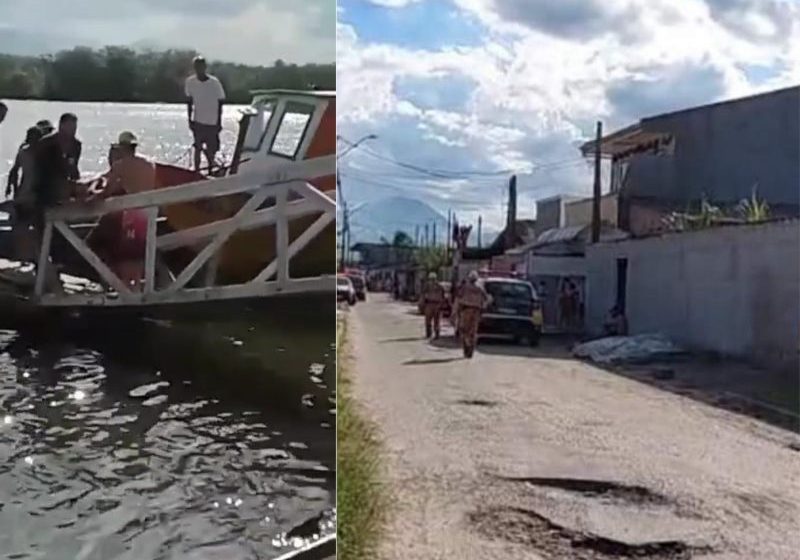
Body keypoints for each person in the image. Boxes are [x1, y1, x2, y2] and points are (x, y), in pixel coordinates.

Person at [85, 131, 155, 291]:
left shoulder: (120, 165)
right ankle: (135, 289)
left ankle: (114, 286)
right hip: (145, 217)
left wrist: (89, 200)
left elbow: (106, 191)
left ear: (122, 148)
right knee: (136, 256)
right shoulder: (149, 165)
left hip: (127, 217)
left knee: (103, 246)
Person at [6, 126, 44, 260]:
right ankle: (21, 256)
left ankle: (36, 256)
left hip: (38, 195)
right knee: (21, 225)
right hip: (25, 193)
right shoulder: (23, 152)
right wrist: (12, 188)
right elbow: (15, 171)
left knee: (37, 227)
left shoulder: (44, 154)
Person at [185, 56, 226, 173]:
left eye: (201, 66)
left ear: (205, 67)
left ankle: (211, 170)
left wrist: (219, 122)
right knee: (197, 147)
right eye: (197, 67)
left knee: (211, 149)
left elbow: (221, 102)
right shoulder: (190, 82)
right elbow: (189, 102)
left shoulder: (214, 83)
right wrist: (189, 120)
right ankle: (196, 172)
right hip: (198, 120)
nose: (199, 69)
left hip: (212, 121)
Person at [456, 271, 490, 358]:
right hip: (477, 311)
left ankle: (467, 343)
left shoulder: (464, 287)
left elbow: (458, 297)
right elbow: (487, 299)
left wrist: (456, 311)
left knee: (464, 329)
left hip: (466, 310)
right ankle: (470, 349)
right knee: (473, 331)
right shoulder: (480, 288)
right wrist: (483, 307)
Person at [421, 271, 446, 339]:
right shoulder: (436, 286)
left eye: (433, 279)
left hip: (432, 305)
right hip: (432, 304)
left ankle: (434, 334)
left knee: (434, 320)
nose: (432, 281)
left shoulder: (438, 286)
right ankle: (431, 334)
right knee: (431, 320)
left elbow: (443, 296)